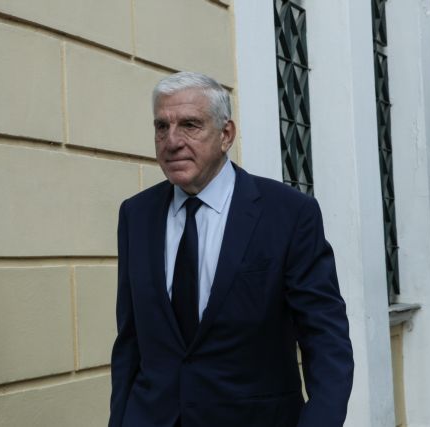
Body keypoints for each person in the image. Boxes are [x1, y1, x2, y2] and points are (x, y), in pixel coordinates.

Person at [109, 71, 353, 427]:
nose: (172, 141)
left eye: (189, 125)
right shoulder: (136, 215)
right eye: (162, 127)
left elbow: (325, 338)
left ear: (226, 135)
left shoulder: (288, 213)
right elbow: (130, 342)